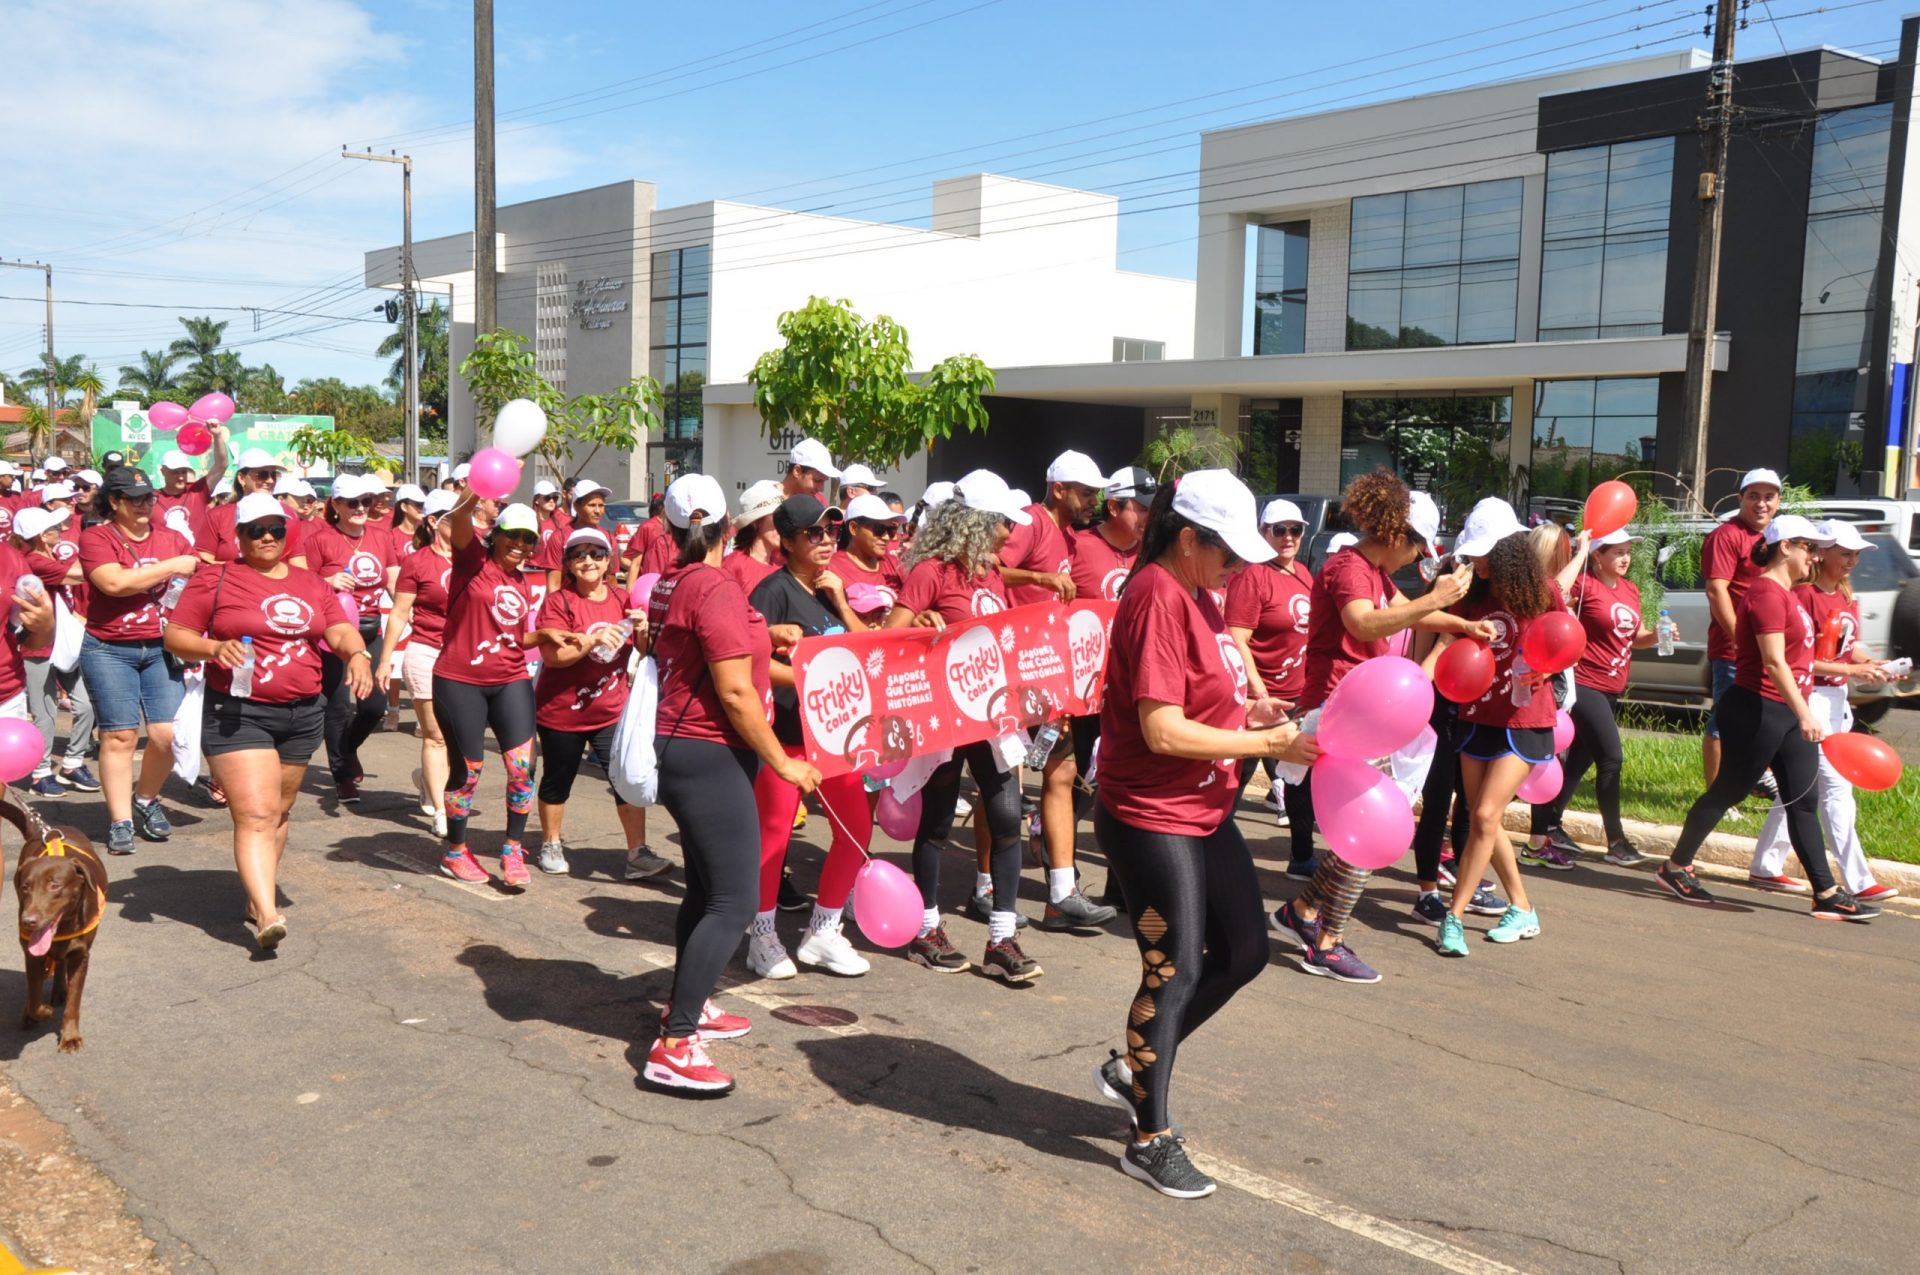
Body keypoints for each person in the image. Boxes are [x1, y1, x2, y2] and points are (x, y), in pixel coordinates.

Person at [1086, 469, 1318, 1199]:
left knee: (1245, 952)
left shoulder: (1199, 593)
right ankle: (1148, 1139)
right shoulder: (1157, 595)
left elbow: (1200, 700)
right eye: (1230, 552)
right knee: (1175, 969)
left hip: (1201, 808)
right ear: (1188, 539)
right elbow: (1160, 729)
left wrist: (1250, 712)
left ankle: (1134, 1068)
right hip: (1150, 814)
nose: (1240, 566)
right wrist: (1267, 744)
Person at [642, 474, 821, 1096]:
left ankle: (687, 1006)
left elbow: (723, 653)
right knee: (735, 904)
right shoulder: (712, 586)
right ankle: (674, 1045)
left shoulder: (674, 581)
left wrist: (778, 646)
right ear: (730, 526)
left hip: (691, 751)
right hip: (709, 753)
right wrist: (785, 764)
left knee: (705, 892)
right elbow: (736, 691)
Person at [1270, 470, 1483, 983]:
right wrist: (1437, 598)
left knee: (1365, 832)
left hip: (1358, 712)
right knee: (1370, 832)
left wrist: (1462, 624)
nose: (1417, 558)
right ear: (1395, 535)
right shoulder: (1349, 568)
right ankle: (1326, 943)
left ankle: (1301, 912)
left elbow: (1405, 614)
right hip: (1340, 713)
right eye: (1418, 548)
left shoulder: (1370, 572)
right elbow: (1363, 622)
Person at [164, 492, 369, 951]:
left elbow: (336, 627)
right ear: (238, 535)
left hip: (303, 712)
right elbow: (176, 635)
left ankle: (256, 898)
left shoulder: (310, 582)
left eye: (276, 528)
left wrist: (357, 653)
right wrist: (214, 648)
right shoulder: (216, 578)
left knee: (278, 812)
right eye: (257, 530)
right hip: (239, 713)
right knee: (256, 815)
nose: (268, 537)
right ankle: (268, 912)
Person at [1655, 514, 1878, 920]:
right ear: (1785, 547)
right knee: (1729, 791)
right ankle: (1675, 867)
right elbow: (1774, 662)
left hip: (1788, 710)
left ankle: (1826, 892)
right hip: (1758, 708)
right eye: (1809, 547)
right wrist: (1805, 713)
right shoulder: (1766, 594)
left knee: (1803, 801)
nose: (1815, 556)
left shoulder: (1790, 595)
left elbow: (1803, 658)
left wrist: (1850, 672)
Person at [884, 469, 1045, 981]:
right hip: (944, 720)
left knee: (1007, 818)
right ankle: (926, 929)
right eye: (1002, 522)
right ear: (975, 522)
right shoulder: (931, 571)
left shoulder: (990, 573)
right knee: (936, 823)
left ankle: (1002, 939)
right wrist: (921, 626)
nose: (1009, 532)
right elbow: (889, 639)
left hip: (992, 717)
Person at [743, 496, 877, 978]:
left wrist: (840, 600)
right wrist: (808, 680)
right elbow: (750, 661)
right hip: (784, 736)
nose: (827, 541)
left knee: (856, 831)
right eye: (814, 533)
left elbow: (863, 649)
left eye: (832, 532)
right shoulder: (772, 591)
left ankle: (823, 931)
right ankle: (761, 937)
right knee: (774, 837)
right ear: (787, 540)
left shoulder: (827, 588)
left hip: (833, 735)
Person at [1431, 499, 1563, 957]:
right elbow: (1443, 632)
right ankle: (1522, 906)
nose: (1478, 560)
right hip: (1476, 715)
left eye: (1484, 552)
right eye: (1473, 551)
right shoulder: (1472, 591)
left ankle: (1453, 917)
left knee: (1485, 816)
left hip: (1524, 718)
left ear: (1508, 549)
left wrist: (1548, 669)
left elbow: (1567, 641)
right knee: (1482, 817)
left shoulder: (1543, 591)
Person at [1748, 519, 1898, 902]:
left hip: (1836, 701)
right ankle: (1859, 881)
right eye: (1844, 553)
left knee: (1799, 789)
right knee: (1836, 789)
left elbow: (1845, 648)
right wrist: (1852, 671)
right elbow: (1800, 658)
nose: (1851, 561)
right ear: (1822, 552)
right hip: (1809, 696)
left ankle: (1766, 864)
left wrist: (1874, 665)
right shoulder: (1804, 595)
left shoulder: (1845, 596)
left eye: (1856, 554)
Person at [998, 450, 1113, 929]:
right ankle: (986, 888)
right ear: (1059, 489)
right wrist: (1039, 576)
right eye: (1085, 493)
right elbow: (987, 571)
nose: (1093, 502)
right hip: (1011, 669)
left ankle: (1062, 893)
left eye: (1096, 494)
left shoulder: (1068, 535)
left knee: (1062, 772)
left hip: (1048, 671)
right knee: (1000, 780)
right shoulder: (1030, 520)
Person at [77, 466, 199, 856]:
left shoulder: (173, 538)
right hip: (109, 648)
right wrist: (172, 566)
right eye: (135, 499)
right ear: (114, 502)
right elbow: (113, 583)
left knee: (167, 734)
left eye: (149, 497)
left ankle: (145, 798)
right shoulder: (97, 537)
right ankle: (120, 821)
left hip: (163, 649)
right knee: (120, 736)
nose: (145, 505)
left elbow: (197, 582)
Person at [1529, 528, 1658, 867]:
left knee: (1579, 761)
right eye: (1617, 552)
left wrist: (1656, 636)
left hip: (1613, 687)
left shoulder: (1630, 589)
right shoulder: (1584, 585)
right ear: (1597, 556)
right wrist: (1579, 554)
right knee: (1611, 758)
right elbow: (1554, 595)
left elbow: (1634, 637)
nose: (1626, 558)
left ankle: (1550, 825)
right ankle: (1616, 842)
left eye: (1628, 551)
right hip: (1585, 683)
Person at [530, 527, 654, 877]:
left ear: (608, 561)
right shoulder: (558, 602)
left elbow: (643, 650)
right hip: (562, 713)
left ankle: (637, 854)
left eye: (597, 554)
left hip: (612, 711)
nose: (588, 561)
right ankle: (551, 844)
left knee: (626, 781)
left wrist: (643, 630)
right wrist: (593, 640)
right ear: (568, 563)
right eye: (579, 555)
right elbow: (554, 658)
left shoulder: (622, 598)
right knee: (558, 781)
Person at [432, 495, 540, 888]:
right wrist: (476, 489)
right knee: (468, 771)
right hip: (460, 681)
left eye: (529, 538)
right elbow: (459, 515)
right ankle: (456, 851)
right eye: (513, 535)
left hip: (511, 678)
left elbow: (512, 637)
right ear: (496, 535)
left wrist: (546, 635)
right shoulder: (472, 562)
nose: (520, 544)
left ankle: (513, 848)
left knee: (523, 768)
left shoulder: (521, 581)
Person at [1066, 466, 1155, 904]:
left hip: (1133, 690)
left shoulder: (1153, 553)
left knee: (1124, 787)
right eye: (1141, 507)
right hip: (1083, 690)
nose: (1147, 516)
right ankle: (1062, 871)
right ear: (1115, 505)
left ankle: (1119, 889)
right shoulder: (1078, 546)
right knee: (1079, 783)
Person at [289, 474, 398, 802]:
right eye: (353, 502)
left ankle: (347, 748)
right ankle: (341, 774)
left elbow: (395, 583)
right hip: (334, 635)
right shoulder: (320, 539)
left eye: (366, 501)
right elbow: (300, 584)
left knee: (374, 706)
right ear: (335, 505)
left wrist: (412, 614)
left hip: (370, 630)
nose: (361, 508)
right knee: (337, 708)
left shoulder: (381, 537)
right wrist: (328, 581)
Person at [1225, 497, 1317, 874]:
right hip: (1258, 696)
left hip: (1298, 695)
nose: (1288, 537)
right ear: (1263, 533)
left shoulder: (1303, 575)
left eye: (1295, 530)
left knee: (1298, 775)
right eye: (1279, 530)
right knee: (1237, 776)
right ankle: (1210, 848)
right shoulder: (1253, 576)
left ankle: (1302, 856)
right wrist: (1259, 693)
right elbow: (1236, 639)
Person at [376, 490, 458, 836]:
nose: (464, 522)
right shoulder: (418, 561)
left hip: (466, 656)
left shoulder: (478, 559)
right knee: (435, 735)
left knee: (460, 737)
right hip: (426, 652)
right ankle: (441, 809)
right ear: (434, 521)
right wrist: (384, 661)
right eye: (454, 516)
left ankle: (428, 778)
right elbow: (399, 614)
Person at [1702, 468, 1782, 798]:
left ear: (1778, 501)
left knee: (1765, 718)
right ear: (1741, 499)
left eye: (1769, 497)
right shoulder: (1727, 535)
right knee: (1724, 721)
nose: (1761, 503)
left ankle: (1754, 782)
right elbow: (1716, 590)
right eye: (1753, 496)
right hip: (1734, 650)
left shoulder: (1777, 537)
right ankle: (1716, 796)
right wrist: (1741, 639)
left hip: (1771, 647)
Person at [13, 506, 98, 797]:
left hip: (66, 646)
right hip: (38, 649)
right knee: (45, 714)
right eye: (54, 527)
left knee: (86, 705)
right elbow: (79, 575)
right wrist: (102, 554)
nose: (61, 530)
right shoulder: (33, 561)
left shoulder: (49, 557)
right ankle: (40, 773)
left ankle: (72, 764)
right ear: (41, 535)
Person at [192, 448, 300, 564]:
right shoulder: (218, 515)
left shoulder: (288, 515)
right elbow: (203, 560)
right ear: (242, 478)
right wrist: (242, 571)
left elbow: (298, 564)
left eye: (274, 475)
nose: (270, 481)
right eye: (262, 475)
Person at [829, 492, 907, 626]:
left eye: (890, 530)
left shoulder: (896, 564)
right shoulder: (831, 568)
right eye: (879, 529)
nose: (886, 537)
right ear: (854, 528)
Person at [154, 441, 228, 544]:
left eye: (184, 472)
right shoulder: (152, 499)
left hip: (196, 553)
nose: (180, 477)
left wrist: (218, 435)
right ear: (163, 471)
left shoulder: (197, 491)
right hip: (165, 553)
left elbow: (221, 465)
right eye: (175, 472)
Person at [724, 480, 785, 597]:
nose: (784, 524)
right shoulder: (733, 566)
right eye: (777, 517)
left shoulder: (781, 566)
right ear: (755, 522)